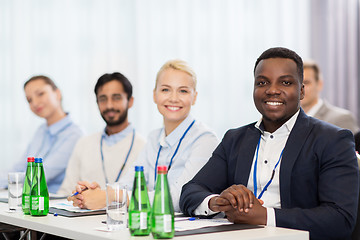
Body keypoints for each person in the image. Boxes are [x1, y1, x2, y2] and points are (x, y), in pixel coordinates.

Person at [180, 47, 359, 239]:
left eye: (285, 82)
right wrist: (217, 202)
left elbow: (340, 220)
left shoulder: (332, 140)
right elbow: (191, 191)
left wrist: (265, 216)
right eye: (262, 82)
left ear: (301, 91)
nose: (272, 90)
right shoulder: (235, 139)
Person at [68, 60, 218, 212]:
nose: (173, 98)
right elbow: (128, 182)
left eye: (183, 91)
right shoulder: (154, 138)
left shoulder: (205, 139)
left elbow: (181, 198)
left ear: (195, 97)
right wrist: (96, 193)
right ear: (154, 95)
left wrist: (112, 196)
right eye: (165, 90)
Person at [57, 72, 146, 195]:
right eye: (103, 99)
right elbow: (65, 193)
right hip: (85, 214)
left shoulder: (145, 147)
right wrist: (76, 196)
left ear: (130, 101)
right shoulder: (84, 144)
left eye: (116, 98)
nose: (109, 105)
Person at [0, 75, 83, 193]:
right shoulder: (41, 131)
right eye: (29, 100)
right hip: (30, 199)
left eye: (40, 94)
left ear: (57, 93)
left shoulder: (74, 135)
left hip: (54, 203)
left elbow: (40, 175)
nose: (35, 103)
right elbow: (19, 167)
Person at [300, 60, 359, 133]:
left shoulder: (341, 119)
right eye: (296, 83)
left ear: (319, 84)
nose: (300, 88)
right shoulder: (289, 121)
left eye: (306, 82)